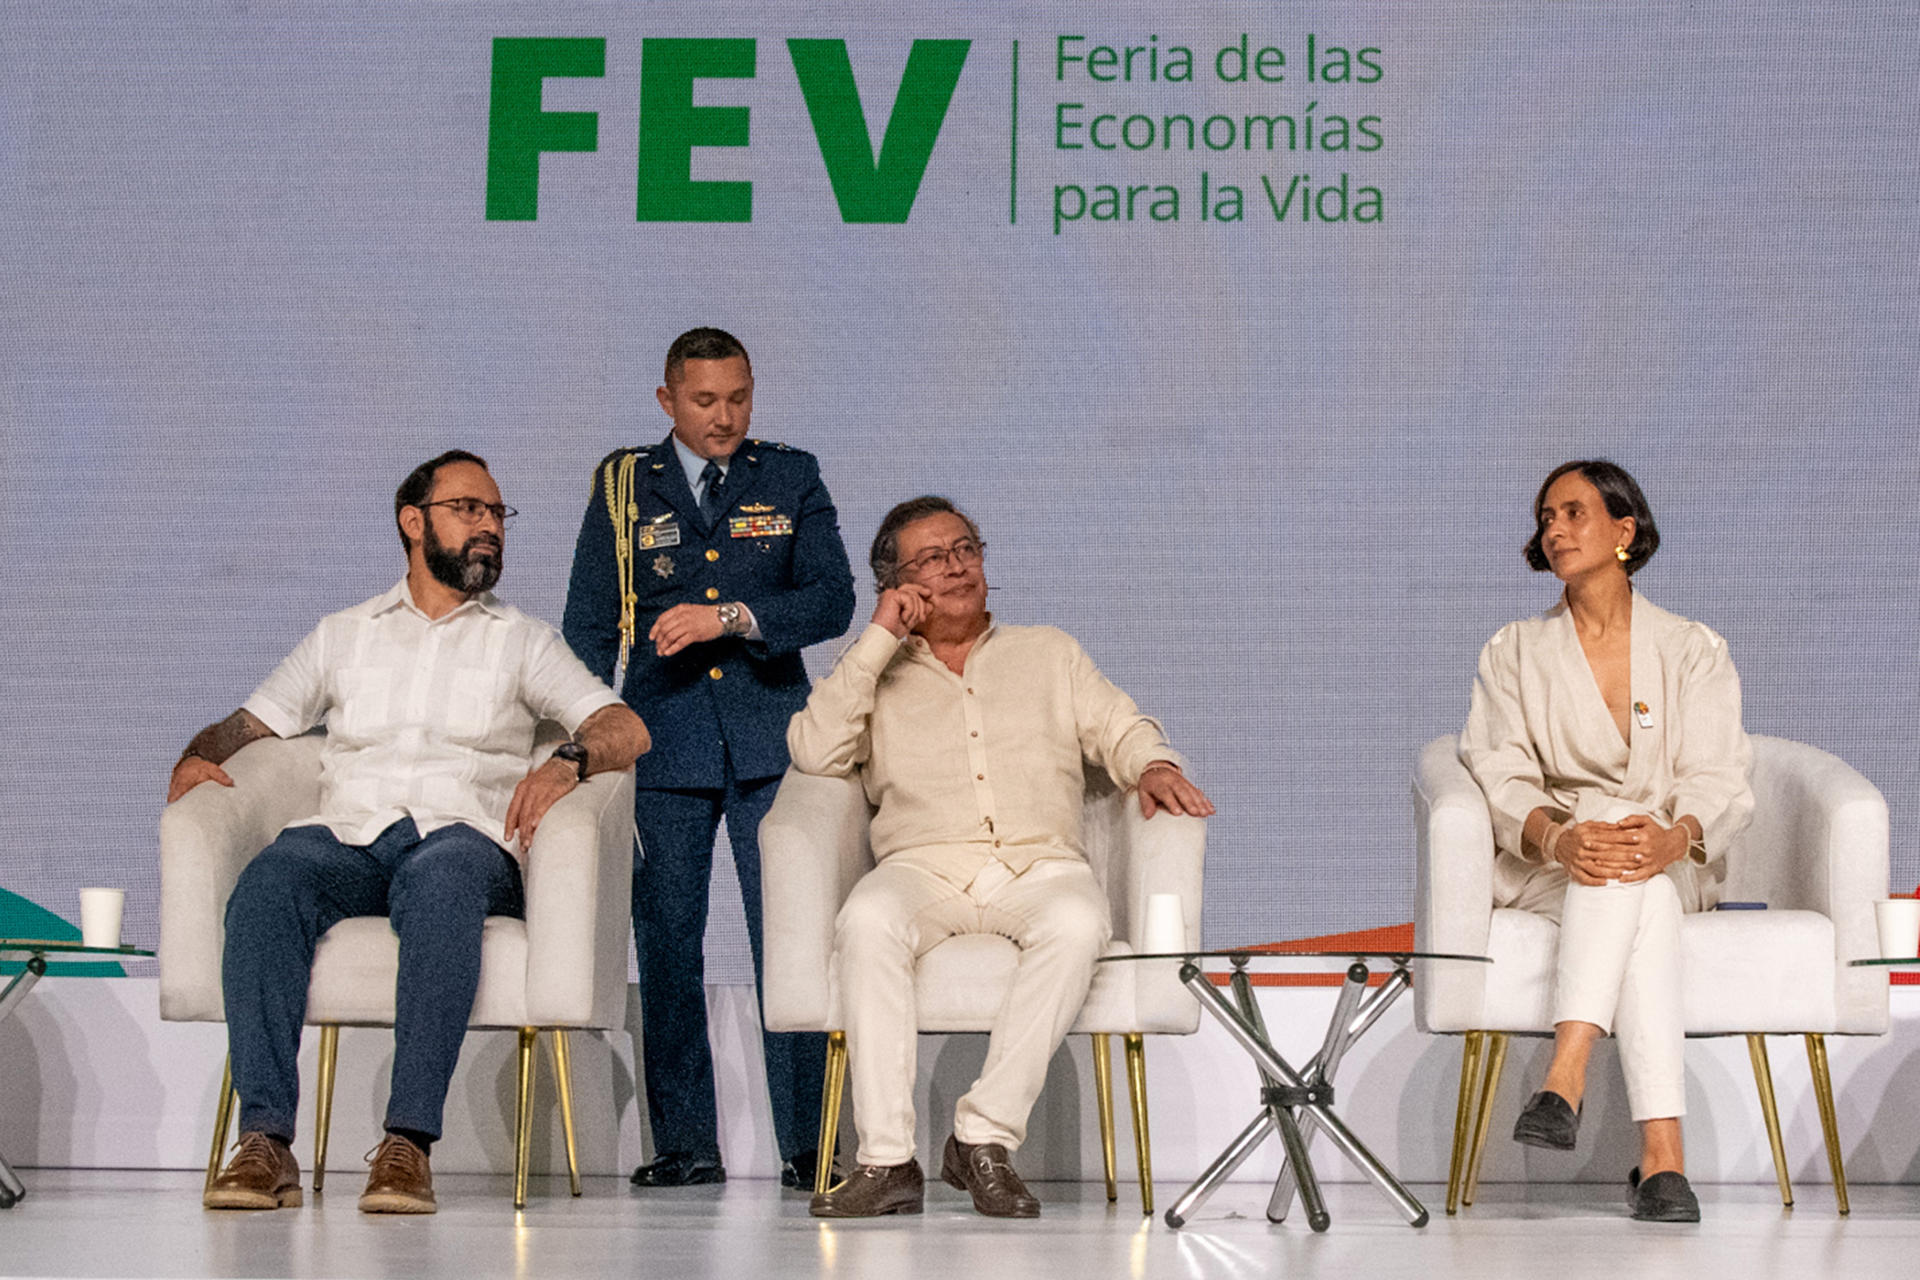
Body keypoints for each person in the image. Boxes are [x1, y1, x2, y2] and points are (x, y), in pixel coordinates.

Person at [171, 450, 649, 1215]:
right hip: (351, 834)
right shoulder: (344, 633)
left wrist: (568, 760)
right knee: (269, 883)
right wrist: (199, 754)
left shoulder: (520, 639)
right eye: (471, 510)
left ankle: (407, 1144)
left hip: (464, 837)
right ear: (413, 521)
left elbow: (623, 726)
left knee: (444, 875)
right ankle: (264, 1140)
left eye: (498, 514)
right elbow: (252, 721)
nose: (490, 527)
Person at [788, 496, 1214, 1219]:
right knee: (866, 922)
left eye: (965, 548)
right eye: (932, 558)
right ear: (897, 584)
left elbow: (1120, 724)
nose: (957, 566)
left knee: (1080, 925)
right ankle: (887, 1160)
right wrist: (880, 638)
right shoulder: (870, 669)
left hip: (1037, 864)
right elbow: (815, 749)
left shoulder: (1049, 651)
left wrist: (1153, 764)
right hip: (922, 864)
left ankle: (981, 1139)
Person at [562, 328, 856, 1189]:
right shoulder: (625, 485)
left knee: (793, 943)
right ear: (666, 401)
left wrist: (728, 615)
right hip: (662, 741)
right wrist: (589, 737)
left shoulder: (790, 475)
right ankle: (686, 1142)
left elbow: (832, 599)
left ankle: (811, 1144)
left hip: (772, 738)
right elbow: (588, 625)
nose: (724, 417)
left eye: (738, 398)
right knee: (667, 945)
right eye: (703, 401)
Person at [1458, 458, 1753, 1224]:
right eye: (1545, 518)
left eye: (1573, 513)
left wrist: (1674, 836)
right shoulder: (1514, 652)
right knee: (1627, 884)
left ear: (1624, 530)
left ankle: (1565, 1077)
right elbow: (1498, 770)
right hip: (1551, 858)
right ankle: (1662, 1164)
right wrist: (1558, 839)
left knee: (1638, 876)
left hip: (1668, 854)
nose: (1554, 529)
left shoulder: (1692, 649)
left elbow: (1720, 774)